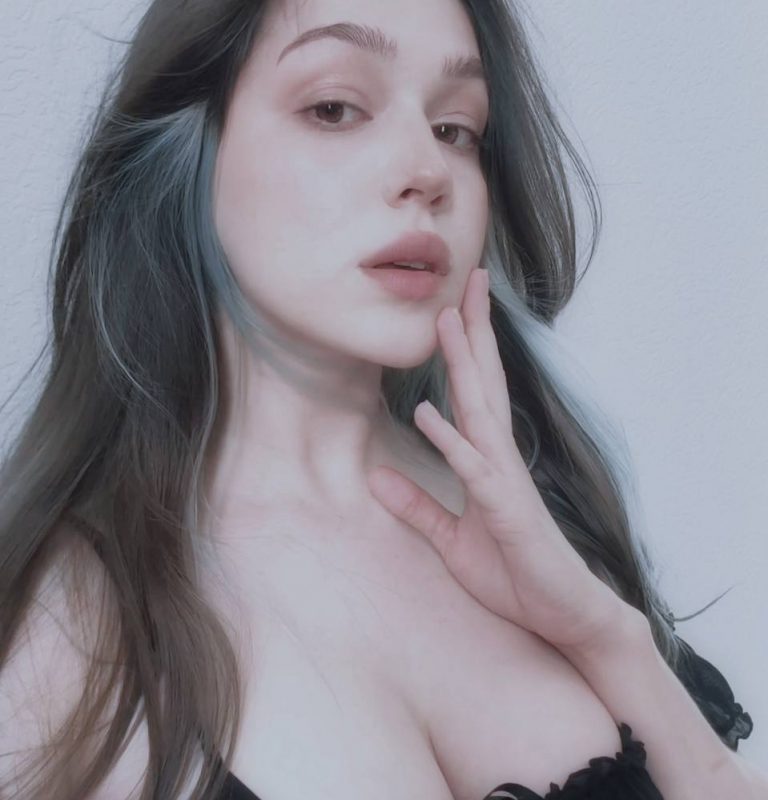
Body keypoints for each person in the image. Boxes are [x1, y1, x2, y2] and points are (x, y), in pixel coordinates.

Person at [0, 0, 761, 798]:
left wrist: (602, 634)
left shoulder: (528, 512)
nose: (427, 171)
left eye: (455, 128)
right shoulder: (67, 636)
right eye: (335, 109)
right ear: (192, 144)